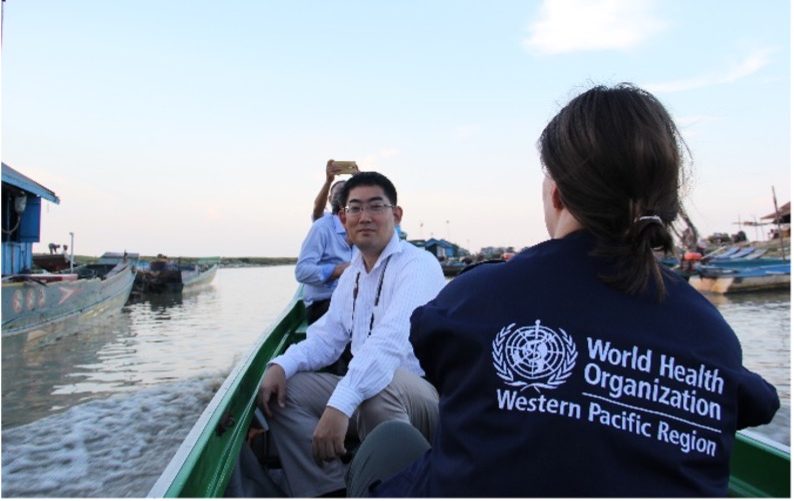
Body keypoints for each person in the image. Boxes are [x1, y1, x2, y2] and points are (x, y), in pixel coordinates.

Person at [347, 83, 780, 497]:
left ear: (557, 194)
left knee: (392, 443)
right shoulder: (714, 335)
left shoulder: (477, 297)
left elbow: (435, 351)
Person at [259, 171, 446, 498]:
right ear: (343, 218)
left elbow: (390, 344)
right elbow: (326, 339)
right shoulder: (353, 275)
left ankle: (397, 489)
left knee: (379, 388)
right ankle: (329, 488)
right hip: (371, 392)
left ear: (396, 214)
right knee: (288, 390)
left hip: (421, 396)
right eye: (355, 209)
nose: (365, 217)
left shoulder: (419, 265)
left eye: (376, 206)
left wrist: (341, 404)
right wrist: (281, 365)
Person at [296, 175, 354, 325]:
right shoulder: (322, 226)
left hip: (352, 300)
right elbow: (302, 272)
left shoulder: (362, 227)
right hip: (323, 304)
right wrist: (340, 270)